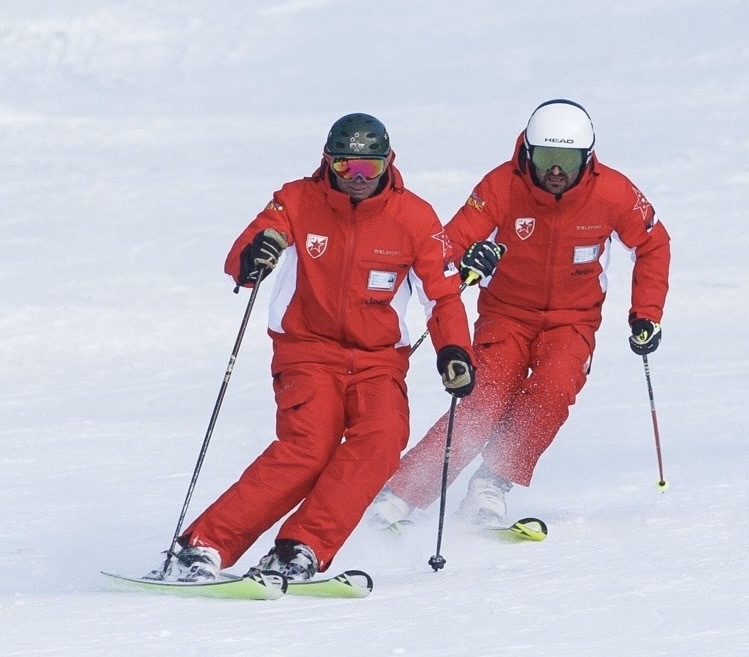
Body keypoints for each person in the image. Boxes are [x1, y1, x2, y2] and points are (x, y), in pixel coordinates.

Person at [154, 113, 475, 586]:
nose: (359, 179)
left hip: (377, 360)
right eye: (347, 168)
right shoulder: (298, 200)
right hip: (307, 350)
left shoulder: (414, 217)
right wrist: (256, 252)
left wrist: (453, 351)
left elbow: (442, 295)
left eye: (369, 168)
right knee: (310, 445)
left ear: (389, 162)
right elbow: (250, 249)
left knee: (382, 441)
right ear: (328, 162)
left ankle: (300, 547)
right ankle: (202, 547)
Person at [368, 99, 670, 528]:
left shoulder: (614, 193)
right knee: (482, 400)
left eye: (567, 160)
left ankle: (491, 483)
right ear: (527, 151)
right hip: (505, 317)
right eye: (545, 158)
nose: (556, 171)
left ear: (588, 158)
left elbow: (654, 244)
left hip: (573, 320)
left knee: (553, 391)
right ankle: (401, 493)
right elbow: (448, 246)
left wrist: (646, 313)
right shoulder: (500, 187)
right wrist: (473, 257)